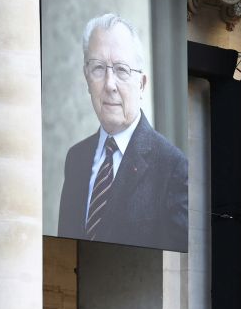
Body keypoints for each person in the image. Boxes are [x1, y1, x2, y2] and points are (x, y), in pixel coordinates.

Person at [57, 13, 188, 252]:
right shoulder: (75, 158)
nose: (109, 84)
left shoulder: (173, 167)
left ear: (142, 84)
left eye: (121, 70)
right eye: (98, 68)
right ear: (87, 78)